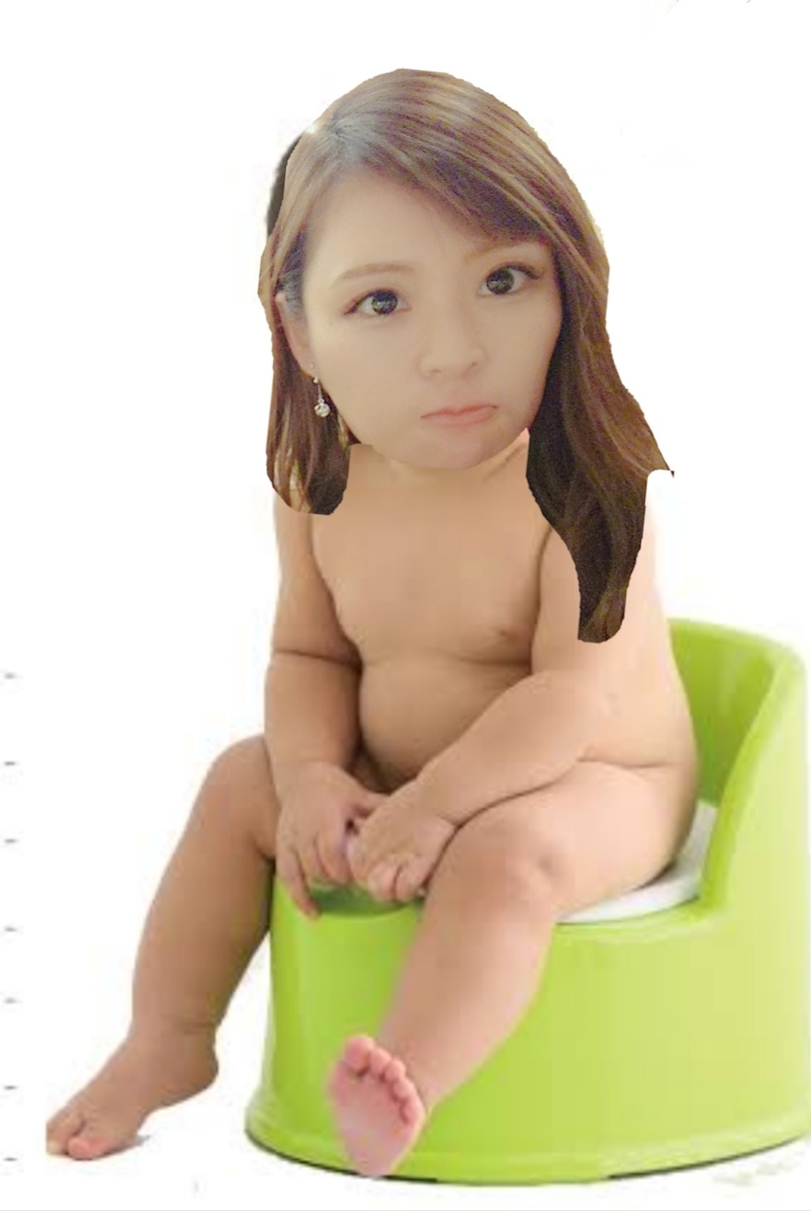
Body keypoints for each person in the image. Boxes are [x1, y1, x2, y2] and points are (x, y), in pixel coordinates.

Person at [46, 67, 700, 1179]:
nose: (454, 349)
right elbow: (308, 654)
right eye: (383, 302)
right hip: (400, 781)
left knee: (507, 851)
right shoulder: (325, 489)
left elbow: (568, 699)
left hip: (599, 780)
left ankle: (407, 1074)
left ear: (569, 286)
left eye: (503, 279)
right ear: (298, 330)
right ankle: (167, 1038)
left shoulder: (587, 488)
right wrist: (310, 776)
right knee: (238, 782)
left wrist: (440, 805)